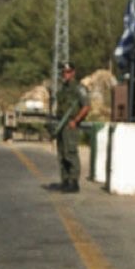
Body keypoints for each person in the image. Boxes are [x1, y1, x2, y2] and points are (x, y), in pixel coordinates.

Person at [53, 61, 90, 193]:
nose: (65, 74)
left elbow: (86, 107)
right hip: (61, 124)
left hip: (70, 124)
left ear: (73, 73)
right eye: (64, 72)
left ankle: (74, 182)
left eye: (68, 72)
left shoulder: (79, 88)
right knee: (62, 153)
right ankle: (65, 180)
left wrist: (76, 120)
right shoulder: (63, 88)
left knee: (71, 153)